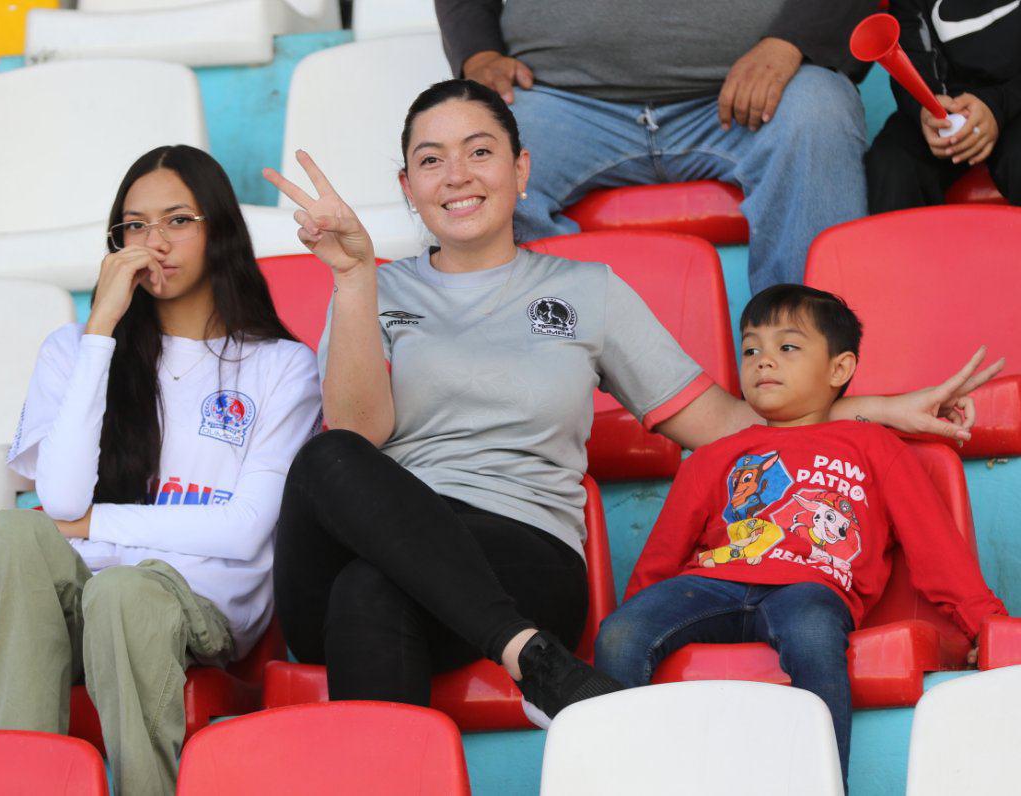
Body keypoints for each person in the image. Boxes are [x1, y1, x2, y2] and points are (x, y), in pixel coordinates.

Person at [263, 78, 999, 727]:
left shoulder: (589, 293)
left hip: (519, 553)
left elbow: (725, 426)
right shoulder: (375, 291)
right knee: (329, 458)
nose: (457, 175)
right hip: (392, 548)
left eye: (480, 151)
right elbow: (361, 436)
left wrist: (877, 410)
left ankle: (512, 651)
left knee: (371, 592)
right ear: (407, 184)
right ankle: (531, 660)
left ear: (521, 172)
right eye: (431, 159)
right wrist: (355, 278)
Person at [0, 145, 321, 795]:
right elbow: (61, 499)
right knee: (14, 535)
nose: (155, 242)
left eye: (179, 220)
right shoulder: (72, 349)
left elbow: (241, 533)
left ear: (219, 230)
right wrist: (100, 329)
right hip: (76, 594)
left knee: (122, 593)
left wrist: (96, 524)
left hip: (199, 600)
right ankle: (13, 784)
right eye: (135, 226)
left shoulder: (280, 366)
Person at [594, 284, 1007, 786]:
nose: (764, 361)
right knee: (620, 633)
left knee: (812, 630)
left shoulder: (874, 445)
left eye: (787, 347)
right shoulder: (714, 455)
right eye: (750, 349)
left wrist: (982, 623)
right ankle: (617, 780)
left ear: (839, 369)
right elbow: (664, 553)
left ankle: (823, 783)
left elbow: (933, 544)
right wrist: (639, 607)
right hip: (714, 584)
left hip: (810, 588)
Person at [435, 0, 877, 292]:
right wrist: (478, 53)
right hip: (562, 100)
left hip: (746, 95)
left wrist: (790, 42)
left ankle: (807, 378)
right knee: (473, 153)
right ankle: (542, 372)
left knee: (818, 110)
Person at [865, 0, 1020, 211]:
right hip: (946, 110)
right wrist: (925, 108)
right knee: (891, 164)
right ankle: (897, 245)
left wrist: (998, 104)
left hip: (1015, 100)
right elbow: (908, 55)